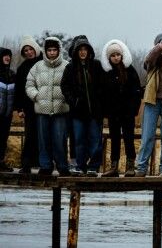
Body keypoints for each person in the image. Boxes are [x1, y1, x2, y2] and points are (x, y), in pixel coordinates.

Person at [25, 37, 70, 176]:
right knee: (43, 140)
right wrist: (36, 96)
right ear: (45, 51)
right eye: (49, 50)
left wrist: (67, 98)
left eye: (54, 50)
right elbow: (29, 84)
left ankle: (63, 167)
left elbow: (71, 86)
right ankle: (45, 166)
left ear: (59, 50)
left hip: (60, 109)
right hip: (42, 109)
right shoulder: (37, 66)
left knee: (59, 139)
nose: (51, 52)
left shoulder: (67, 66)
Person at [60, 36, 104, 175]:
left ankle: (93, 166)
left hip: (94, 111)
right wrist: (74, 101)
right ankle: (80, 166)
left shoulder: (96, 65)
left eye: (85, 49)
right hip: (78, 112)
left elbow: (104, 86)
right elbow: (64, 86)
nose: (83, 52)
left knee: (95, 140)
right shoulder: (70, 67)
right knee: (79, 140)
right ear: (76, 52)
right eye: (80, 50)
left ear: (89, 51)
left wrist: (99, 102)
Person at [134, 33, 162, 176]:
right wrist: (158, 48)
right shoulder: (152, 61)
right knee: (147, 135)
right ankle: (141, 166)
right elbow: (147, 62)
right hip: (152, 100)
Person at [101, 40, 142, 177]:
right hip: (113, 113)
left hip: (128, 112)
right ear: (109, 58)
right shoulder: (107, 73)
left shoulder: (130, 71)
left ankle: (130, 166)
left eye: (118, 54)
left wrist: (134, 109)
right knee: (115, 139)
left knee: (129, 139)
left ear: (122, 55)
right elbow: (104, 94)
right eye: (113, 55)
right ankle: (114, 167)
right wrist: (106, 111)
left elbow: (137, 91)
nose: (116, 57)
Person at [14, 36, 43, 173]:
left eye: (30, 49)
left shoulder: (45, 63)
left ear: (35, 49)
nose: (29, 52)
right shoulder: (22, 68)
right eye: (25, 50)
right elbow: (19, 89)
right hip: (29, 107)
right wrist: (19, 108)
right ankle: (26, 164)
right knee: (30, 134)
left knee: (44, 135)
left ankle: (45, 164)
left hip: (45, 105)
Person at [0, 48, 14, 172]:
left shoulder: (12, 74)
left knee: (3, 139)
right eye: (4, 55)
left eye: (9, 55)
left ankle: (1, 162)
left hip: (7, 114)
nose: (7, 58)